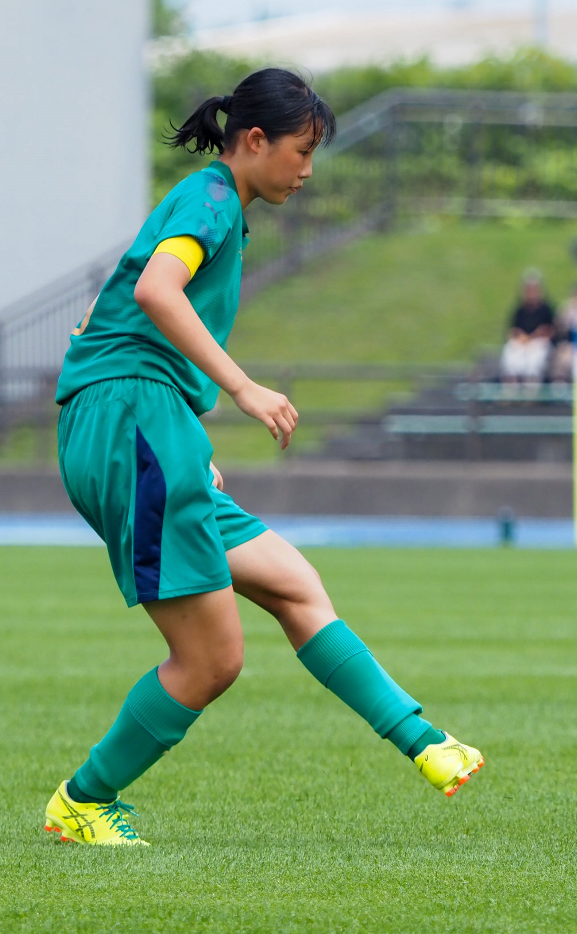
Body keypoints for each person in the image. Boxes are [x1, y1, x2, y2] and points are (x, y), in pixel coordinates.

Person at [45, 69, 483, 845]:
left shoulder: (218, 207)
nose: (308, 169)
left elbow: (125, 321)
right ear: (255, 142)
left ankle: (426, 743)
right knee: (212, 660)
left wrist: (186, 435)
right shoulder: (212, 199)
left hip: (145, 423)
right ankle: (81, 801)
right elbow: (155, 291)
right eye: (302, 150)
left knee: (294, 583)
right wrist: (242, 389)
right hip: (130, 425)